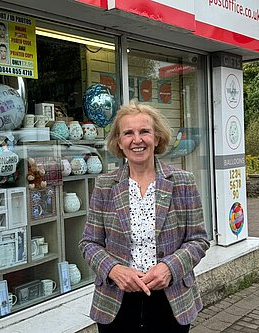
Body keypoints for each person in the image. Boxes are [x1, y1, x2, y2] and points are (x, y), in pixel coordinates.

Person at [79, 101, 210, 333]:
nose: (136, 140)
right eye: (128, 133)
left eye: (144, 132)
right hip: (116, 300)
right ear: (119, 142)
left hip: (171, 300)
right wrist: (113, 270)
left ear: (157, 138)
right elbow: (90, 243)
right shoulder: (105, 185)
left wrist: (169, 268)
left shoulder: (182, 182)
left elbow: (199, 240)